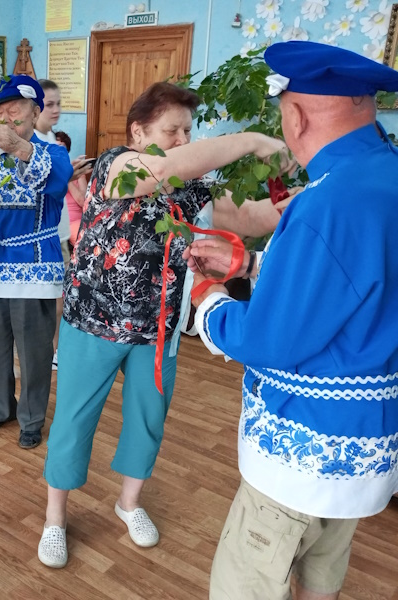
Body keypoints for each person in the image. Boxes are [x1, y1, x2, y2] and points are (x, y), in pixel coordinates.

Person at [37, 81, 292, 569]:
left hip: (158, 330)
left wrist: (298, 205)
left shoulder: (193, 188)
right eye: (172, 130)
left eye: (187, 131)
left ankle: (128, 503)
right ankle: (55, 519)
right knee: (72, 421)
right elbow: (162, 168)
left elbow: (251, 217)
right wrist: (253, 140)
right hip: (92, 323)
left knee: (148, 420)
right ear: (139, 132)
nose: (183, 140)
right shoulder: (117, 166)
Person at [185, 41, 398, 600]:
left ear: (296, 116)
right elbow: (355, 282)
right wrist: (253, 264)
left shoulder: (326, 202)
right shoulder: (384, 174)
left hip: (302, 453)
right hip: (365, 446)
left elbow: (269, 340)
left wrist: (210, 300)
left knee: (243, 586)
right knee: (321, 581)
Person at [0, 75, 73, 449]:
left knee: (34, 350)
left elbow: (58, 181)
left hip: (34, 268)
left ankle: (32, 418)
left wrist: (19, 147)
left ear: (35, 112)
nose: (5, 118)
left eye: (14, 110)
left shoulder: (53, 153)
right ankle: (0, 407)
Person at [34, 79, 93, 370]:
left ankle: (55, 349)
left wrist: (71, 172)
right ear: (35, 108)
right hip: (41, 235)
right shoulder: (30, 143)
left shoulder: (53, 139)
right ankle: (45, 351)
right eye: (50, 104)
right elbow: (38, 190)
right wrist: (69, 175)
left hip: (58, 231)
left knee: (60, 297)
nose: (56, 109)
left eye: (59, 103)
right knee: (50, 300)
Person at [55, 131, 90, 250]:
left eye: (62, 148)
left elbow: (83, 201)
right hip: (64, 222)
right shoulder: (50, 171)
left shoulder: (77, 171)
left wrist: (68, 174)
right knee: (86, 245)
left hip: (79, 220)